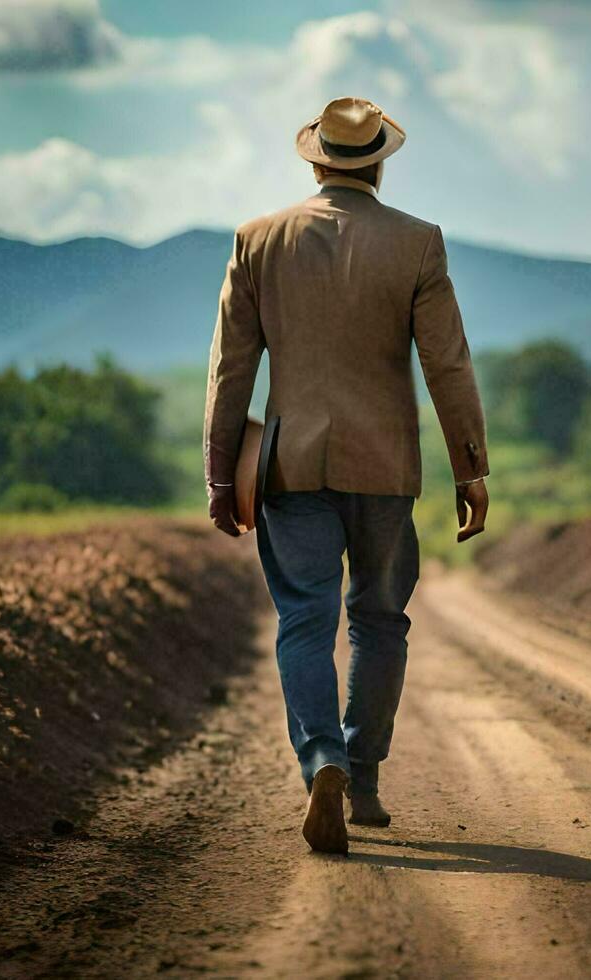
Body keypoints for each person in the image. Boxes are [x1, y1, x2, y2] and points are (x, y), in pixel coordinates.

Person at [202, 97, 490, 856]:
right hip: (384, 464)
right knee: (379, 621)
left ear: (315, 157)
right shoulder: (419, 244)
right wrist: (471, 470)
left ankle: (320, 758)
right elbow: (447, 364)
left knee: (304, 619)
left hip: (290, 464)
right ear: (379, 161)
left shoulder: (258, 240)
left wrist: (219, 475)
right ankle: (360, 778)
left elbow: (231, 370)